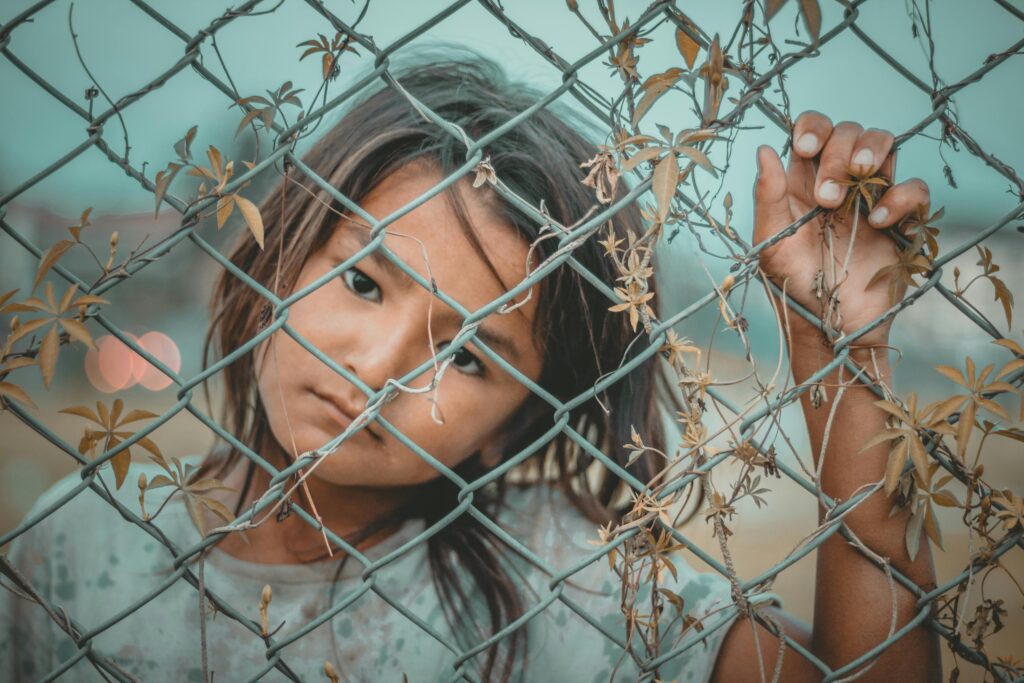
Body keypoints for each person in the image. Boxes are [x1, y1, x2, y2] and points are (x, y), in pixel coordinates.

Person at [0, 52, 941, 682]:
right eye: (365, 282)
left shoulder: (565, 585)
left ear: (523, 419)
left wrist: (842, 357)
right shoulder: (79, 550)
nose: (378, 365)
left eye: (466, 352)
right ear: (282, 253)